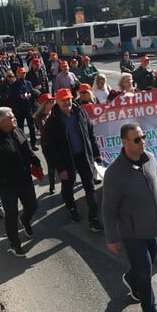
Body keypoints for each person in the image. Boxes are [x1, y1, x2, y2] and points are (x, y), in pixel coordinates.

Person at [102, 123, 157, 312]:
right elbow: (108, 209)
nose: (142, 142)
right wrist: (112, 237)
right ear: (124, 143)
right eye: (137, 139)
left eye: (143, 137)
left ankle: (131, 279)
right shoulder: (114, 173)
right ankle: (151, 310)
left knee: (145, 267)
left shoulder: (149, 158)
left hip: (154, 228)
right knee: (145, 272)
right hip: (132, 234)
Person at [0, 107, 41, 257]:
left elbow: (25, 148)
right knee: (11, 214)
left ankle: (25, 220)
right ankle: (15, 243)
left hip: (25, 179)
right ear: (2, 122)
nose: (15, 119)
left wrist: (34, 159)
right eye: (11, 118)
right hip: (7, 184)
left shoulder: (17, 130)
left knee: (32, 206)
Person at [45, 88, 103, 232]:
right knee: (68, 187)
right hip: (66, 161)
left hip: (84, 156)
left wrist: (96, 153)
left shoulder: (81, 112)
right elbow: (50, 149)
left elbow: (90, 133)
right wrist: (60, 168)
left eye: (69, 98)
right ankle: (72, 208)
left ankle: (94, 220)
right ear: (57, 102)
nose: (67, 102)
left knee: (90, 187)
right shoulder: (52, 122)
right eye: (63, 99)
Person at [8, 67, 38, 150]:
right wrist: (19, 96)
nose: (23, 75)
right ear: (17, 74)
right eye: (21, 73)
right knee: (20, 128)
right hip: (19, 109)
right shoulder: (13, 85)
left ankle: (33, 144)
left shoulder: (28, 83)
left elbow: (32, 92)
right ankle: (23, 145)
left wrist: (30, 95)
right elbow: (11, 97)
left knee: (31, 126)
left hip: (28, 108)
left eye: (24, 73)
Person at [33, 93, 57, 195]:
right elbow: (43, 129)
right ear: (45, 104)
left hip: (58, 142)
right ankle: (52, 186)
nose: (54, 102)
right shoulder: (39, 116)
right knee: (51, 166)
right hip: (47, 144)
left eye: (53, 100)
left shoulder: (55, 111)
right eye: (51, 101)